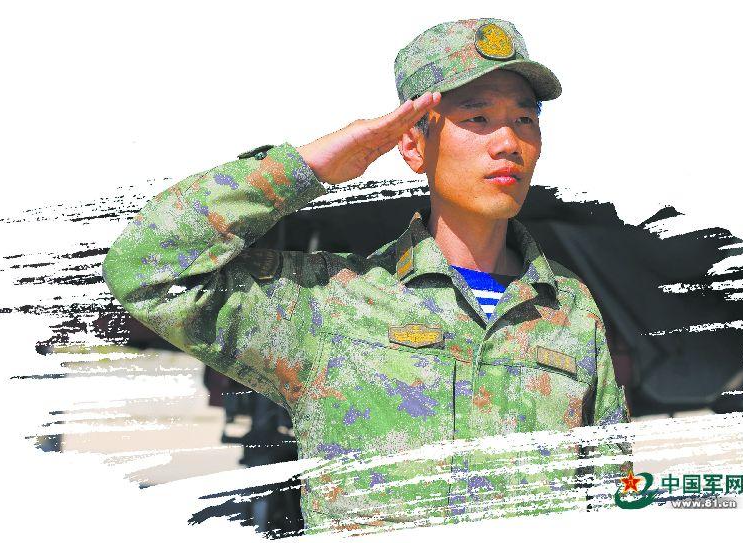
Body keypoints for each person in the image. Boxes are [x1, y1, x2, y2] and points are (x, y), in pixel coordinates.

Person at [103, 17, 631, 534]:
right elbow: (145, 271)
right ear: (414, 145)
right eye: (477, 118)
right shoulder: (332, 305)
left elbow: (613, 493)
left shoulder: (567, 309)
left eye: (525, 119)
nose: (509, 142)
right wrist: (307, 168)